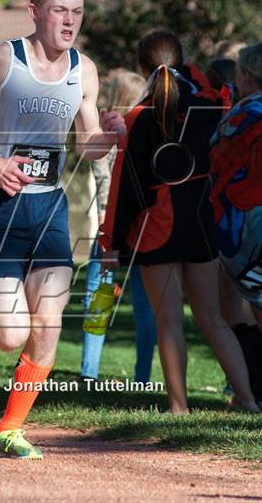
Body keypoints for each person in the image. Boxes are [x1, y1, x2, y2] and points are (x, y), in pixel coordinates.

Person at [0, 0, 126, 459]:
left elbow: (88, 147)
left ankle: (11, 429)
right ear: (35, 12)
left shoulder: (83, 69)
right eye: (60, 10)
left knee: (48, 324)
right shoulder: (2, 59)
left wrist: (108, 136)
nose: (70, 21)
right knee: (11, 336)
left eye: (78, 12)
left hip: (48, 208)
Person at [100, 29, 259, 414]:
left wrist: (114, 244)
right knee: (213, 318)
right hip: (201, 222)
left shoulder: (140, 117)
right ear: (183, 60)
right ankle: (250, 401)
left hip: (158, 226)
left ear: (143, 68)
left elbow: (127, 187)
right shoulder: (210, 104)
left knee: (168, 320)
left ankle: (178, 406)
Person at [80, 69, 156, 384]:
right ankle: (142, 377)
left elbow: (102, 180)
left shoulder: (104, 137)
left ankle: (89, 371)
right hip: (141, 226)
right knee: (146, 304)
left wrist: (103, 222)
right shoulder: (146, 135)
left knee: (98, 298)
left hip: (109, 226)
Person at [210, 42, 262, 405]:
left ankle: (251, 389)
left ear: (244, 76)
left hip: (247, 226)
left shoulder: (242, 116)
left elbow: (217, 164)